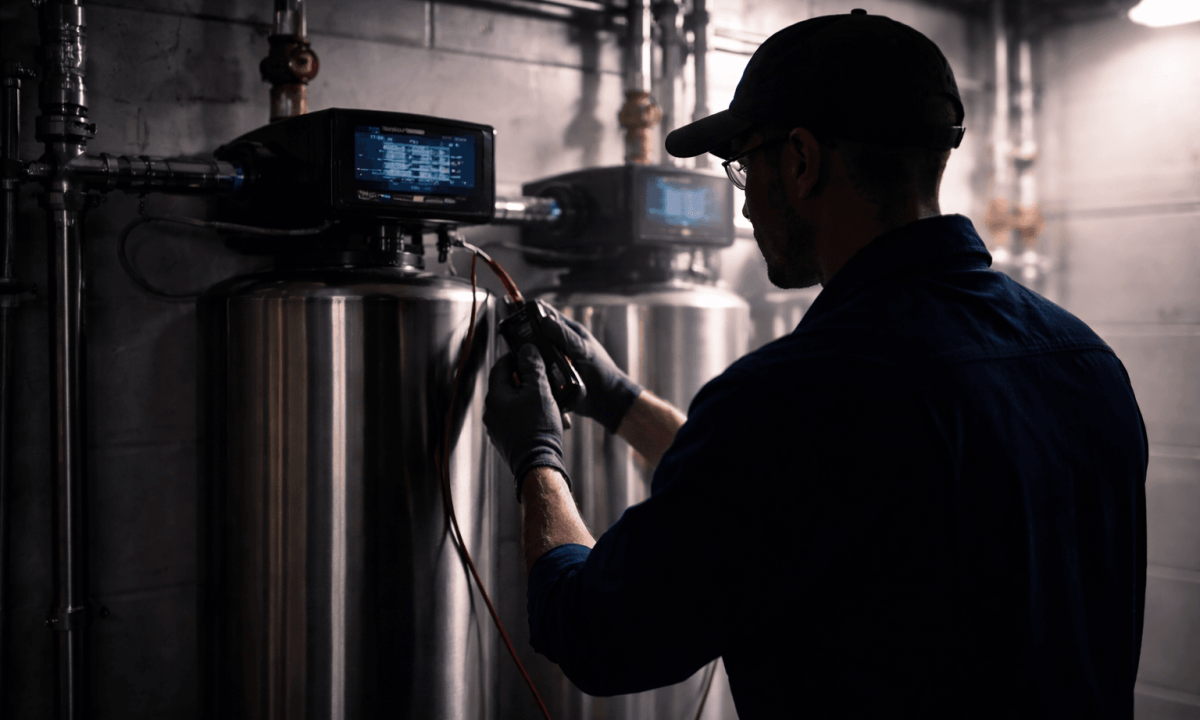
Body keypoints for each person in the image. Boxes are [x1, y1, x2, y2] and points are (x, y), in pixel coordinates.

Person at [483, 10, 1147, 719]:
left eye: (743, 165)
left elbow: (595, 633)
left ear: (801, 159)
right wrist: (618, 400)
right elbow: (795, 499)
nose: (744, 208)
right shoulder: (1085, 360)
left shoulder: (799, 394)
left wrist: (536, 456)